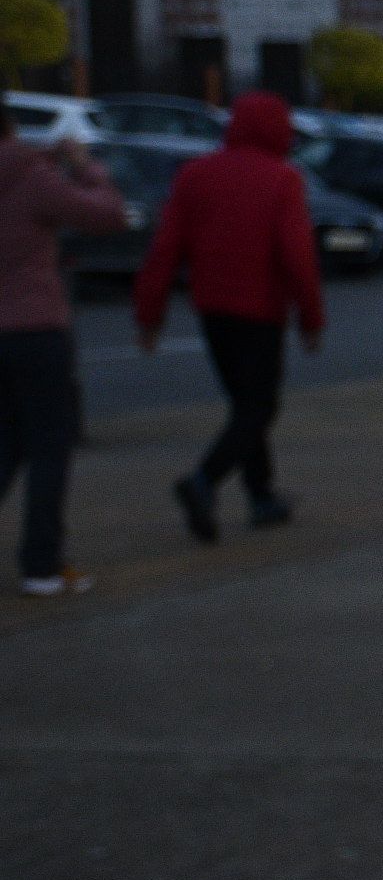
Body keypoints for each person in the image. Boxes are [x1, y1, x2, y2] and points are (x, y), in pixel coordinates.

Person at [132, 90, 325, 542]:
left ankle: (261, 496)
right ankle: (203, 481)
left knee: (245, 405)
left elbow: (164, 250)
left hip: (213, 309)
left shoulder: (195, 175)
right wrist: (310, 318)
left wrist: (150, 313)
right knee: (259, 407)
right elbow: (297, 256)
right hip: (260, 311)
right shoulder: (283, 179)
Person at [0, 101, 126, 594]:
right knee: (50, 447)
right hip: (36, 329)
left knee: (7, 444)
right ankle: (42, 565)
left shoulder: (30, 170)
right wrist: (85, 166)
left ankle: (42, 564)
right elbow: (108, 215)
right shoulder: (32, 178)